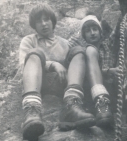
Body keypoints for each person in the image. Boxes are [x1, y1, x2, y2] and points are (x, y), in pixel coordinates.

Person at [19, 4, 96, 140]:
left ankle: (72, 104)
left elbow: (75, 68)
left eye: (46, 19)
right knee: (34, 53)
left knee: (78, 51)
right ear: (34, 25)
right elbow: (22, 67)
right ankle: (32, 111)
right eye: (39, 21)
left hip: (62, 85)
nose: (43, 24)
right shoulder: (28, 40)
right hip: (37, 84)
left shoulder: (65, 43)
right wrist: (52, 64)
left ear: (52, 21)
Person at [80, 15, 119, 127]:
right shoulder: (84, 51)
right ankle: (101, 107)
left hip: (112, 89)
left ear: (100, 31)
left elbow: (118, 30)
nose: (92, 33)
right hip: (94, 92)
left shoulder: (108, 45)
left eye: (95, 29)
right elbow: (89, 73)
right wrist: (108, 71)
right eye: (88, 31)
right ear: (84, 36)